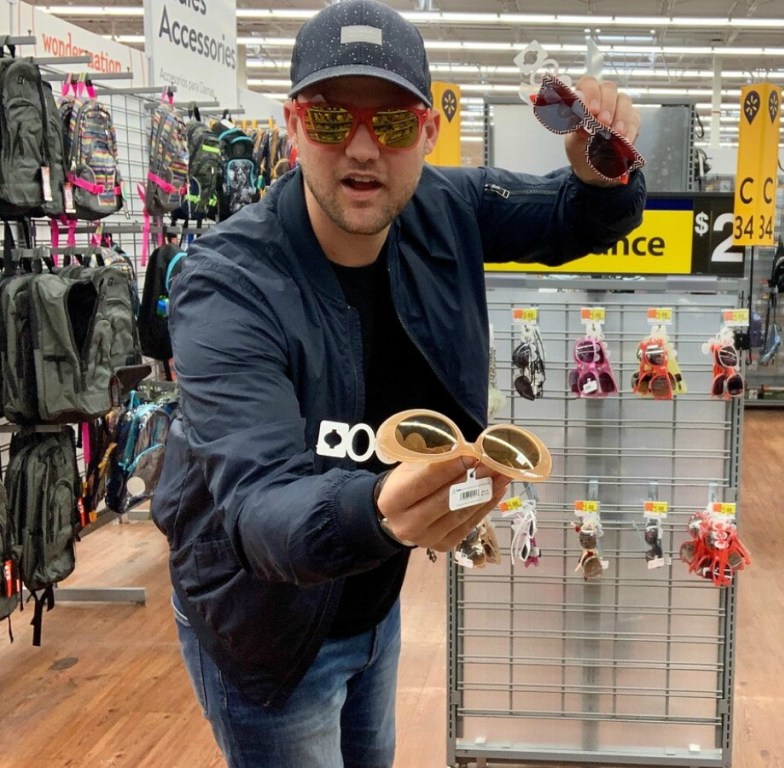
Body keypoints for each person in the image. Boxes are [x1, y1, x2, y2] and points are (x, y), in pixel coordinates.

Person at [150, 0, 646, 765]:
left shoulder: (445, 208)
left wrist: (602, 164)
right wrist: (380, 507)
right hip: (265, 629)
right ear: (290, 127)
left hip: (372, 597)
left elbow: (574, 217)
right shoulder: (227, 285)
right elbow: (260, 508)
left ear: (426, 133)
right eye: (328, 120)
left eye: (388, 124)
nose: (359, 149)